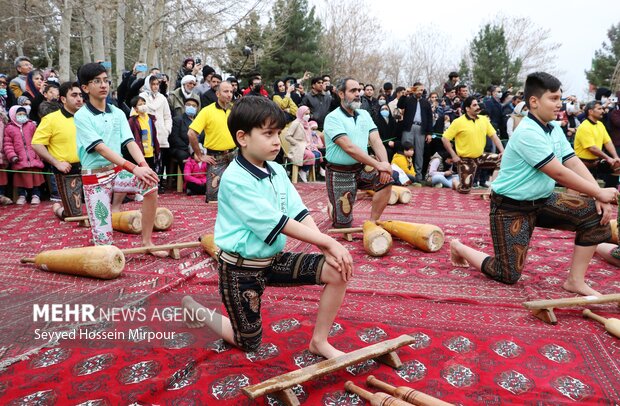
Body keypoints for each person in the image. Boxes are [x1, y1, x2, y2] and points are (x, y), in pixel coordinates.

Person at [181, 96, 352, 358]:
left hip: (272, 260)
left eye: (278, 133)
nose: (276, 141)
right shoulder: (235, 179)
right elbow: (278, 223)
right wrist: (330, 242)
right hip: (241, 270)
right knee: (248, 342)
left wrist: (324, 246)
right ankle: (199, 310)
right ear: (243, 137)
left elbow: (298, 212)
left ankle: (319, 342)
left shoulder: (276, 170)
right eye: (268, 133)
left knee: (337, 270)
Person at [449, 72, 618, 296]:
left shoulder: (555, 129)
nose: (560, 104)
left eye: (560, 98)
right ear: (534, 101)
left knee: (594, 216)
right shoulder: (527, 132)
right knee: (507, 274)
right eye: (554, 98)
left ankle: (575, 281)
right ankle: (459, 247)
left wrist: (598, 196)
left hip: (543, 200)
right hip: (511, 207)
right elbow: (559, 173)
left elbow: (572, 161)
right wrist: (599, 191)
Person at [74, 63, 165, 254]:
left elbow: (130, 142)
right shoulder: (82, 116)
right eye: (96, 81)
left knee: (151, 184)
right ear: (85, 88)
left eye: (106, 80)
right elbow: (101, 148)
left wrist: (143, 165)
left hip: (116, 172)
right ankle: (103, 244)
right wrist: (133, 168)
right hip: (95, 178)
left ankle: (147, 242)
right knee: (105, 244)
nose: (103, 85)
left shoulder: (117, 113)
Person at [323, 78, 393, 228]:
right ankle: (332, 206)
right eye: (353, 91)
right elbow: (349, 148)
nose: (358, 94)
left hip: (361, 167)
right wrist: (378, 164)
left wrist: (385, 164)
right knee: (343, 225)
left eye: (358, 90)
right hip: (339, 173)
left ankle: (373, 222)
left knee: (386, 181)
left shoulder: (364, 115)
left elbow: (376, 141)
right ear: (341, 94)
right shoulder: (332, 118)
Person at [31, 82, 85, 218]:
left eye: (80, 95)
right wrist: (56, 163)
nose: (79, 98)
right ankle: (58, 209)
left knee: (99, 211)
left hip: (89, 168)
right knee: (74, 215)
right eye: (74, 95)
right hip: (67, 170)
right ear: (63, 99)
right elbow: (36, 144)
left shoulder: (87, 117)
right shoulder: (51, 119)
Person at [441, 96, 504, 193]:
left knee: (503, 160)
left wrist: (502, 151)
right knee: (464, 190)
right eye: (474, 105)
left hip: (481, 156)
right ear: (467, 108)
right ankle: (455, 182)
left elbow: (494, 136)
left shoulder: (484, 119)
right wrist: (454, 155)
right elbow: (445, 138)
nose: (478, 107)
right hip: (465, 159)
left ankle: (493, 189)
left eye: (477, 104)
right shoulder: (458, 122)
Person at [188, 81, 235, 202]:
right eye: (226, 91)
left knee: (239, 191)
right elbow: (191, 133)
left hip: (236, 155)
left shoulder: (236, 109)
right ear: (218, 94)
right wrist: (200, 155)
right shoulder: (207, 111)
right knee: (213, 196)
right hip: (216, 157)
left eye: (231, 91)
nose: (229, 94)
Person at [3, 105, 45, 204]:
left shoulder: (31, 125)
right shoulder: (9, 128)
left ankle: (36, 194)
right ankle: (22, 195)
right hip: (19, 159)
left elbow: (37, 140)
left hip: (33, 157)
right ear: (13, 115)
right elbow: (7, 144)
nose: (22, 116)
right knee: (20, 179)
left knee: (35, 178)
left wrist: (39, 154)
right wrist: (12, 156)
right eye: (19, 114)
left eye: (24, 114)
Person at [574, 100, 620, 187]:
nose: (602, 111)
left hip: (595, 162)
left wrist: (615, 157)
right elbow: (592, 148)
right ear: (590, 111)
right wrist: (608, 158)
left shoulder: (600, 124)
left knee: (618, 165)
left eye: (602, 108)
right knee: (580, 191)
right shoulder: (584, 126)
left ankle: (611, 193)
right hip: (582, 163)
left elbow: (608, 142)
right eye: (599, 109)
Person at [140, 75, 172, 192]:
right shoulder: (142, 97)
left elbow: (167, 116)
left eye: (157, 84)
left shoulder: (162, 98)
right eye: (153, 84)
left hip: (161, 134)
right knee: (148, 159)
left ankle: (158, 183)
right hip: (146, 134)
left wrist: (167, 129)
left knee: (160, 160)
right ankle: (147, 184)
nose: (155, 87)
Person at [398, 82, 433, 182]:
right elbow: (400, 105)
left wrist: (429, 133)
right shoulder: (408, 99)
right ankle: (404, 175)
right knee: (406, 149)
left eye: (422, 90)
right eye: (418, 90)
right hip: (409, 127)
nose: (420, 92)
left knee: (419, 152)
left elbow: (430, 118)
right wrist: (405, 94)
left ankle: (418, 176)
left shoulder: (426, 102)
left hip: (421, 129)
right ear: (414, 89)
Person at [284, 106, 322, 182]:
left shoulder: (307, 124)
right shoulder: (296, 123)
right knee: (310, 155)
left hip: (307, 146)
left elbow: (309, 136)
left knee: (318, 154)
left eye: (308, 114)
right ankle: (303, 171)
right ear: (301, 114)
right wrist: (296, 143)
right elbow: (287, 136)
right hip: (297, 148)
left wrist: (312, 144)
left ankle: (303, 170)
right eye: (306, 114)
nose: (307, 116)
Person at [127, 96, 160, 173]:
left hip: (151, 152)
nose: (143, 106)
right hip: (140, 153)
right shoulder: (132, 120)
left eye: (144, 103)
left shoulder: (150, 118)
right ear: (135, 108)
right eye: (140, 104)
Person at [169, 96, 199, 173]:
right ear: (184, 107)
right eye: (188, 105)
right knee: (183, 155)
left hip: (198, 148)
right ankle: (188, 180)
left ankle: (202, 180)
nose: (191, 107)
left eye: (194, 106)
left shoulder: (199, 121)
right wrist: (189, 149)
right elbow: (174, 138)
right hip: (181, 148)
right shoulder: (178, 119)